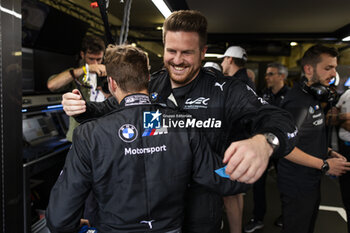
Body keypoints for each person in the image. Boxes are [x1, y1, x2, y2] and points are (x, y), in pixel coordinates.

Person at [60, 10, 297, 233]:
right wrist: (80, 107)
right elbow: (108, 110)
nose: (178, 60)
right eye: (171, 51)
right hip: (154, 217)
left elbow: (281, 119)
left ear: (203, 52)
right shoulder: (150, 85)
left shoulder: (226, 91)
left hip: (201, 217)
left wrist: (265, 142)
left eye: (187, 53)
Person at [45, 44, 251, 233]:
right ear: (149, 79)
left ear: (112, 83)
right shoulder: (182, 124)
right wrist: (252, 161)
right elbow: (221, 177)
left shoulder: (88, 135)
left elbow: (59, 218)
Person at [278, 44, 350, 233]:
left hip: (310, 178)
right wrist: (325, 165)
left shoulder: (313, 98)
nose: (333, 73)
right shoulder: (297, 103)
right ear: (309, 69)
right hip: (297, 182)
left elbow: (306, 137)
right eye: (328, 68)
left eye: (334, 67)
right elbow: (286, 148)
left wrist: (329, 152)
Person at [244, 62, 290, 232]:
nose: (267, 77)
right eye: (267, 74)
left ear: (281, 76)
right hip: (264, 144)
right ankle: (258, 218)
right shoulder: (264, 94)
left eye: (271, 74)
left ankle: (287, 216)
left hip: (284, 147)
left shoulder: (290, 97)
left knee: (285, 183)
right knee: (257, 182)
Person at [47, 34, 108, 142]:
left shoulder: (108, 73)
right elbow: (52, 85)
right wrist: (86, 69)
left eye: (99, 59)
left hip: (103, 135)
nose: (95, 63)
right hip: (80, 137)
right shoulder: (76, 74)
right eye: (91, 59)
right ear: (82, 54)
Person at [328, 87, 350, 233]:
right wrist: (345, 117)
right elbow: (329, 118)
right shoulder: (347, 94)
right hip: (345, 150)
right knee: (347, 197)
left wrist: (339, 118)